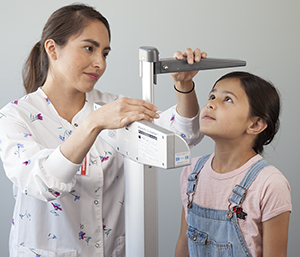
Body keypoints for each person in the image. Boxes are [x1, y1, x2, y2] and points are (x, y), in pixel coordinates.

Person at [0, 3, 207, 257]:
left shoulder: (113, 106)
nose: (99, 63)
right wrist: (93, 123)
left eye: (105, 53)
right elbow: (42, 183)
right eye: (89, 48)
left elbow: (180, 136)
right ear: (52, 49)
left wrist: (184, 86)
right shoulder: (16, 117)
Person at [175, 71, 292, 257]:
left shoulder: (270, 183)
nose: (210, 104)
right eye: (212, 96)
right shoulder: (192, 172)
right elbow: (183, 243)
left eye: (227, 99)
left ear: (256, 124)